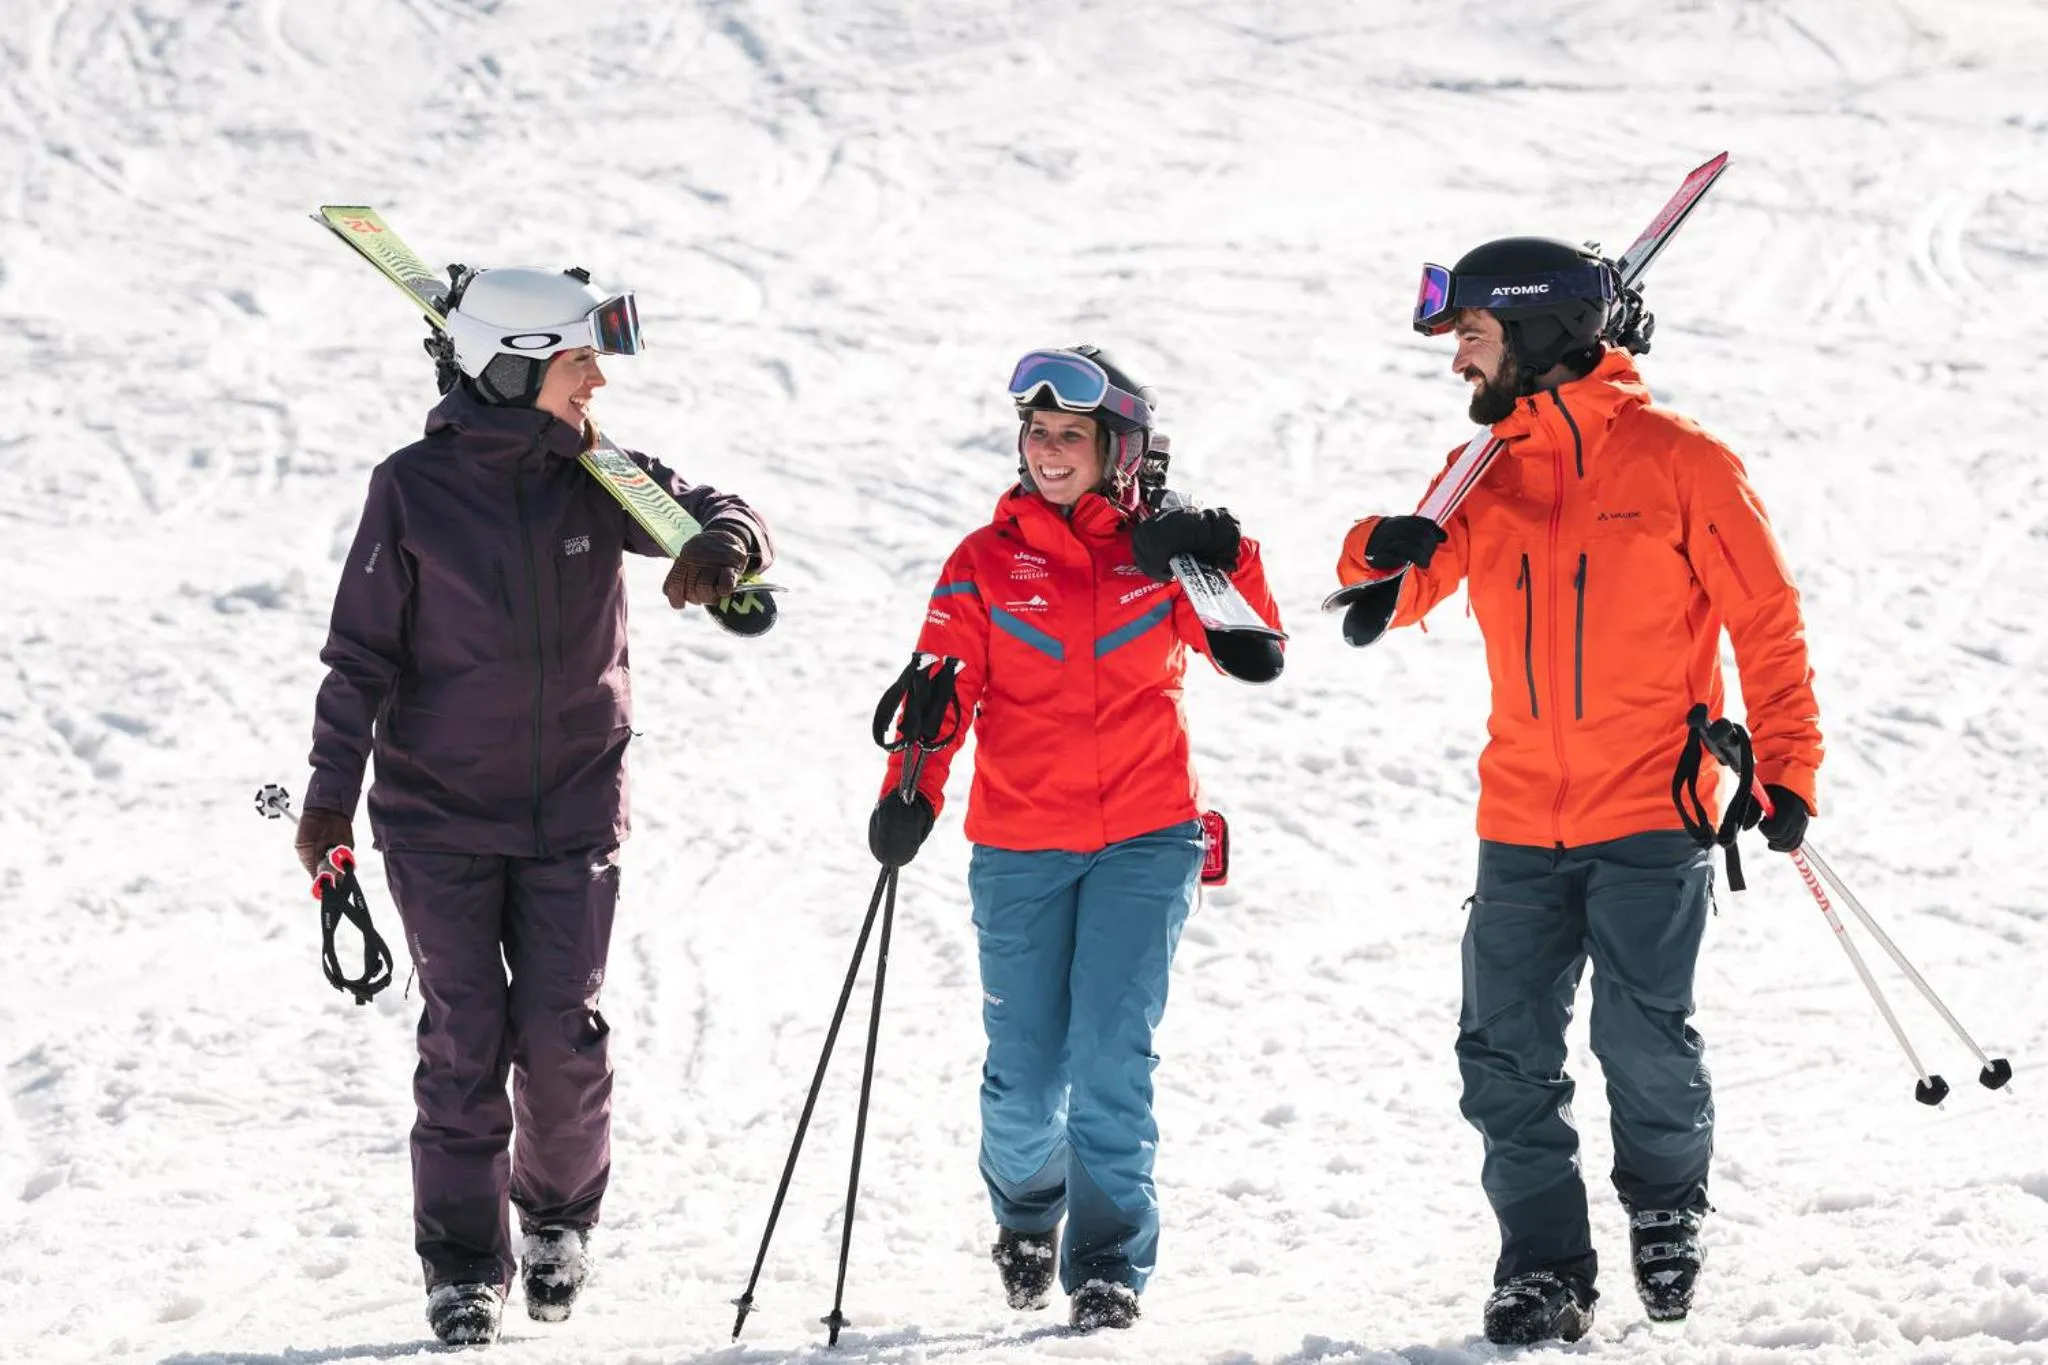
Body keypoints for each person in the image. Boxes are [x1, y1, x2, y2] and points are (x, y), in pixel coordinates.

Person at [1334, 238, 1823, 1344]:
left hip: (1651, 811)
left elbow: (1766, 620)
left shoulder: (1680, 461)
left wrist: (1787, 766)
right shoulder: (1484, 471)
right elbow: (1393, 592)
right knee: (1501, 1055)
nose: (1457, 360)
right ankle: (1544, 1265)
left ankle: (1665, 1207)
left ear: (1537, 333)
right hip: (1517, 818)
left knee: (1640, 1041)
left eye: (1472, 335)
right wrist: (1379, 547)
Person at [294, 265, 775, 1346]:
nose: (597, 380)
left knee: (562, 1034)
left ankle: (557, 1220)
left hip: (571, 810)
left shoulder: (597, 474)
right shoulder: (411, 488)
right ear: (512, 369)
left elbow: (717, 509)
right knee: (464, 1039)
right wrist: (328, 810)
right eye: (577, 360)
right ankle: (464, 1265)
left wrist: (724, 545)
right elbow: (358, 656)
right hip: (437, 816)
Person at [868, 346, 1283, 1331]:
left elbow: (1253, 651)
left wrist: (1220, 550)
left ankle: (1105, 1265)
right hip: (1020, 846)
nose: (1049, 452)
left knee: (1109, 1061)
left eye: (1071, 437)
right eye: (1037, 433)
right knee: (1024, 1083)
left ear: (1119, 451)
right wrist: (910, 791)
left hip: (1147, 838)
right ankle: (1025, 1211)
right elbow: (940, 689)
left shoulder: (1160, 555)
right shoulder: (982, 561)